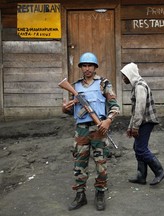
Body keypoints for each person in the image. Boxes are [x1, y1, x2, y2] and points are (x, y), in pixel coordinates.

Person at [62, 52, 120, 211]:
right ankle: (80, 195)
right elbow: (72, 110)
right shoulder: (75, 86)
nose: (87, 68)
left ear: (95, 67)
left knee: (101, 163)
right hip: (81, 130)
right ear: (81, 67)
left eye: (90, 65)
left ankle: (100, 193)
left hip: (99, 128)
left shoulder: (104, 84)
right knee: (79, 163)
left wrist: (108, 120)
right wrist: (65, 109)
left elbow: (115, 107)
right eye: (84, 65)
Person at [120, 62, 164, 186]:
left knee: (141, 149)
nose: (123, 78)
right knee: (137, 147)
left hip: (145, 122)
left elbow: (139, 108)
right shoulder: (137, 85)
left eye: (124, 76)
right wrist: (131, 127)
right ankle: (141, 176)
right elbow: (135, 111)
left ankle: (159, 171)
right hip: (142, 121)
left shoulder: (140, 86)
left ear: (130, 75)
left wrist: (135, 127)